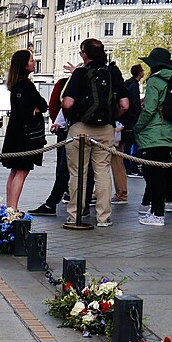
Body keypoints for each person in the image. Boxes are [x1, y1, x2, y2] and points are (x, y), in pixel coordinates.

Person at [61, 38, 127, 227]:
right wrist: (111, 118)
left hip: (80, 127)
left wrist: (70, 117)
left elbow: (68, 103)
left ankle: (75, 215)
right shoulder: (113, 72)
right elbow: (124, 104)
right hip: (105, 129)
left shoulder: (80, 73)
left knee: (77, 174)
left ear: (85, 54)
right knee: (103, 172)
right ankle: (104, 217)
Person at [134, 49, 172, 227]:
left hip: (155, 133)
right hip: (169, 131)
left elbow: (149, 109)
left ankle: (157, 213)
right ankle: (155, 211)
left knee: (155, 174)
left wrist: (138, 127)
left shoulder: (156, 80)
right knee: (161, 174)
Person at [0, 49, 46, 209]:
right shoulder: (26, 85)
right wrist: (37, 108)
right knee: (22, 171)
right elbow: (42, 104)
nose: (34, 62)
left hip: (14, 132)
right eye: (31, 60)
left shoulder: (15, 85)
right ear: (24, 65)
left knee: (14, 171)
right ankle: (13, 208)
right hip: (25, 135)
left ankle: (9, 207)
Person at [30, 77, 70, 215]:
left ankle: (53, 203)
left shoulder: (70, 81)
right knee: (96, 172)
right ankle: (96, 211)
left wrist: (58, 124)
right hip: (102, 131)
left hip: (72, 132)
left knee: (64, 169)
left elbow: (58, 104)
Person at [121, 63, 144, 178]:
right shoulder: (134, 85)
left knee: (128, 144)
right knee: (137, 143)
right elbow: (134, 102)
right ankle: (133, 167)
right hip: (133, 119)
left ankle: (128, 166)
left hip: (128, 119)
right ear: (139, 73)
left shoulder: (129, 83)